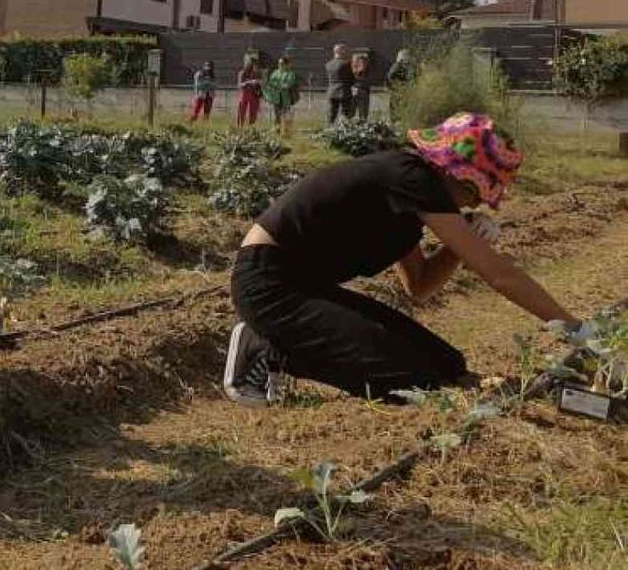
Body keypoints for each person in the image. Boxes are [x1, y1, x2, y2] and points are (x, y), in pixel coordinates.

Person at [222, 112, 578, 406]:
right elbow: (500, 276)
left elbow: (419, 286)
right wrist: (577, 332)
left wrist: (456, 246)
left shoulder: (406, 201)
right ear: (452, 170)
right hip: (268, 284)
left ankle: (276, 342)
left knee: (448, 365)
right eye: (474, 191)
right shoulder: (410, 176)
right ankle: (267, 350)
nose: (475, 204)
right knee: (411, 383)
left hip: (301, 287)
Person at [263, 56, 301, 137]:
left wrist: (278, 85)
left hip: (285, 98)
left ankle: (286, 132)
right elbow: (271, 82)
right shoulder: (275, 72)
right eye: (279, 63)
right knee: (277, 115)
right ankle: (277, 130)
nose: (280, 65)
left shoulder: (290, 73)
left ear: (286, 64)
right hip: (276, 98)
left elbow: (289, 84)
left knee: (286, 115)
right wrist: (280, 85)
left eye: (282, 63)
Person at [325, 44, 354, 124]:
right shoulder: (346, 64)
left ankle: (329, 129)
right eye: (344, 50)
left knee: (331, 114)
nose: (346, 52)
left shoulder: (328, 64)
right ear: (341, 51)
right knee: (346, 114)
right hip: (344, 91)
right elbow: (351, 77)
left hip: (331, 91)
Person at [236, 54, 263, 127]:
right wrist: (248, 82)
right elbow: (239, 85)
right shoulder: (243, 72)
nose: (254, 65)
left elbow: (262, 82)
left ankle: (251, 127)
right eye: (252, 62)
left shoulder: (258, 72)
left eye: (255, 63)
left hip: (254, 94)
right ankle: (240, 126)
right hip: (245, 93)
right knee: (242, 110)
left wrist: (257, 82)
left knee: (254, 111)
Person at [350, 53, 373, 120]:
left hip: (355, 90)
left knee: (353, 112)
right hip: (361, 90)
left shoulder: (352, 67)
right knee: (363, 113)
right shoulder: (361, 68)